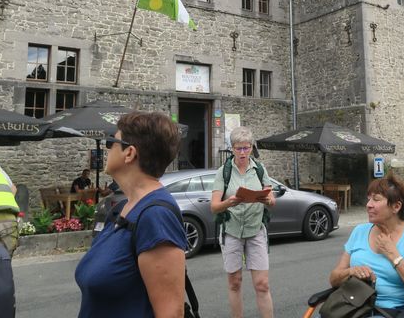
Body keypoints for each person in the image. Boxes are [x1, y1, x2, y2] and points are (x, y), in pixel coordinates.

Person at [75, 111, 188, 317]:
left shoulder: (156, 216)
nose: (107, 149)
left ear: (130, 153)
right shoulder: (120, 209)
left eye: (112, 143)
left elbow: (171, 313)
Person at [329, 175, 404, 315]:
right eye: (369, 199)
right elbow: (334, 279)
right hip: (353, 306)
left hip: (390, 312)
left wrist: (393, 255)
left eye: (376, 199)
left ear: (396, 206)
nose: (368, 205)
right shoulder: (359, 231)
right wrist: (350, 272)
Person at [211, 126, 276, 318]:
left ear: (251, 147)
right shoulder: (223, 172)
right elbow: (214, 207)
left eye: (246, 148)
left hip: (256, 230)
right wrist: (228, 202)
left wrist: (268, 200)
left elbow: (271, 199)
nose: (242, 153)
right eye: (238, 148)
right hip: (231, 231)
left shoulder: (259, 169)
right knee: (235, 282)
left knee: (262, 284)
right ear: (232, 149)